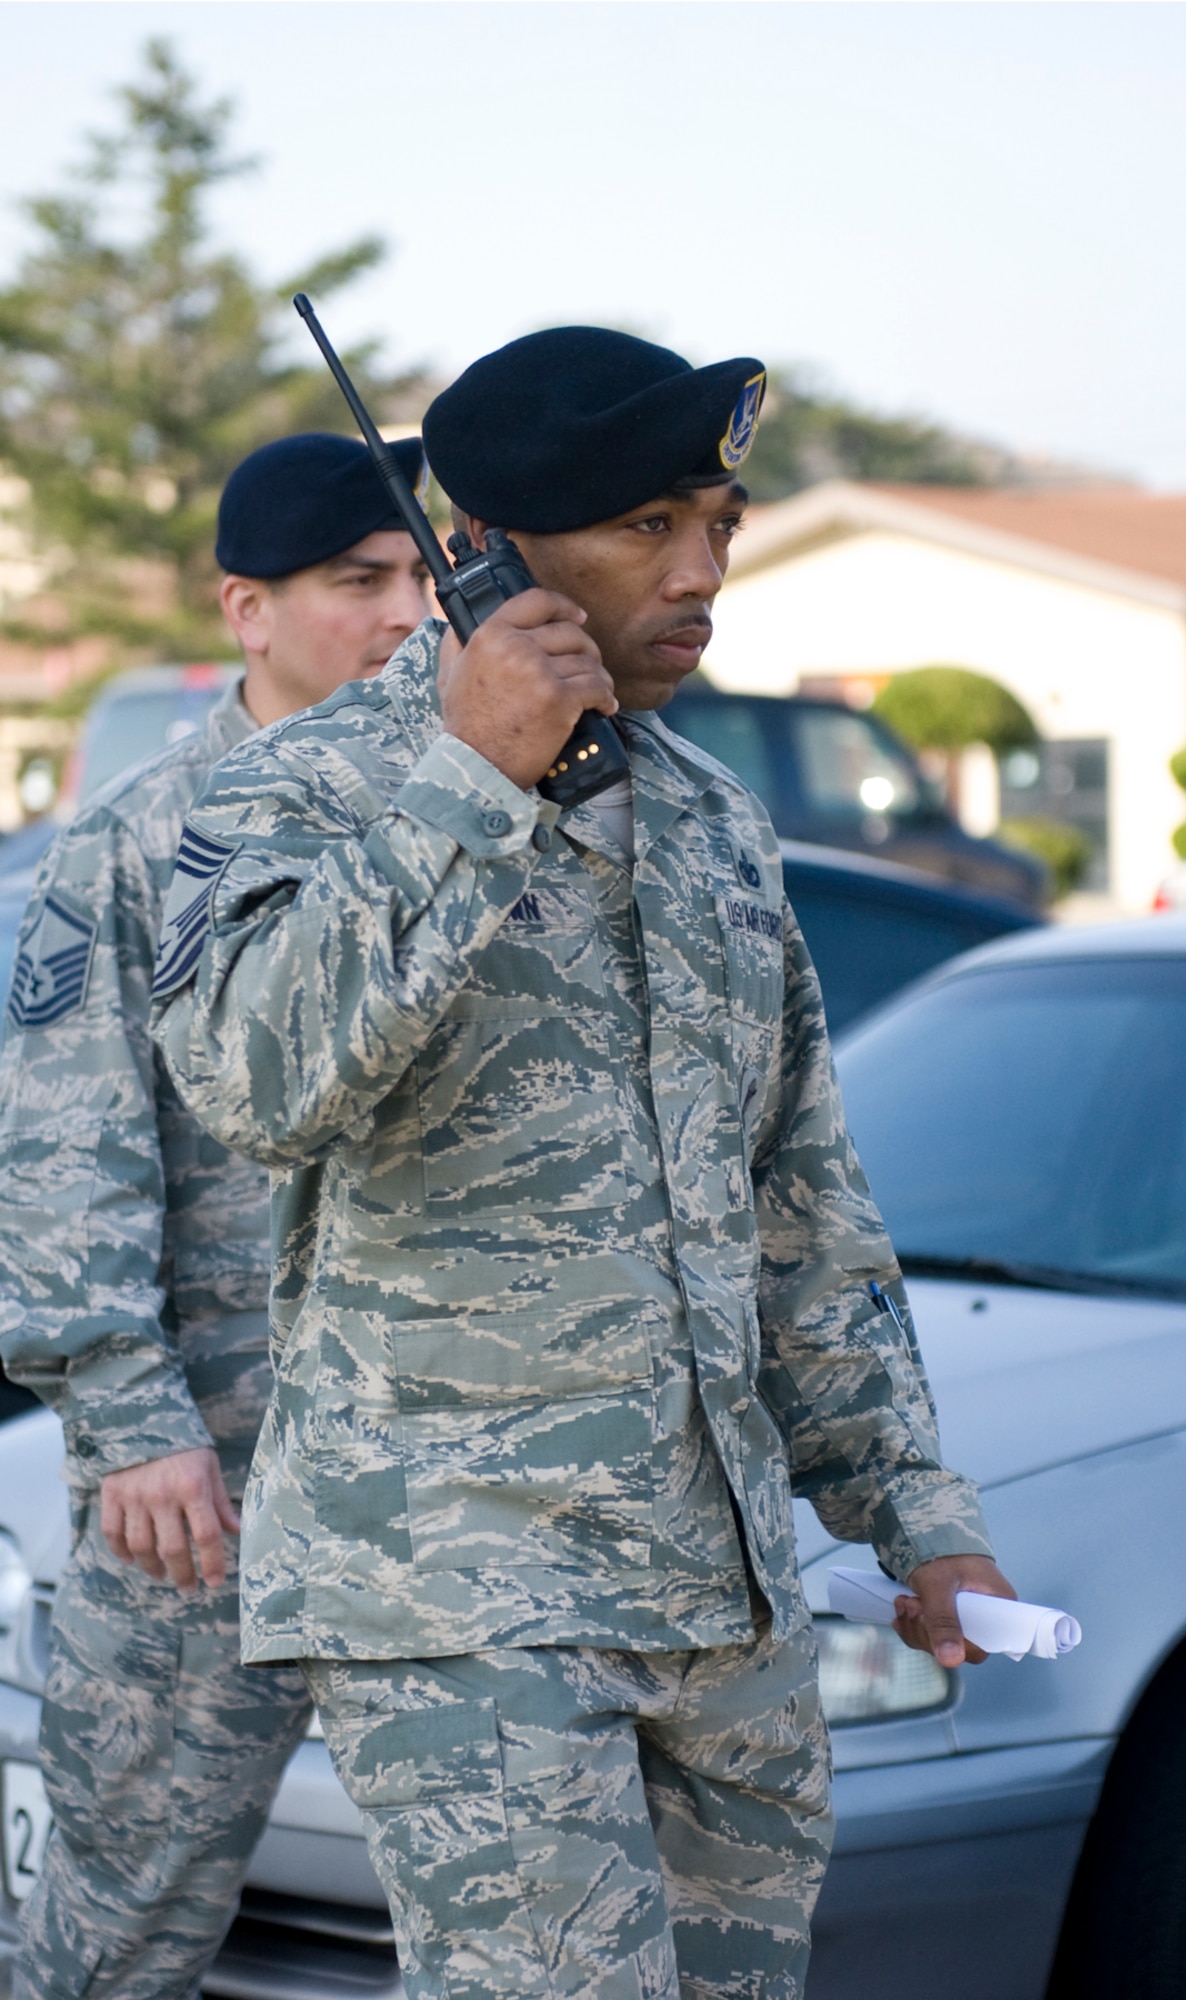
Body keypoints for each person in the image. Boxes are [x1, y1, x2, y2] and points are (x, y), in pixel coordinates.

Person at [150, 328, 1014, 2000]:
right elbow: (257, 1083)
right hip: (460, 1584)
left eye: (720, 525)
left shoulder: (708, 816)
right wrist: (474, 775)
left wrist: (919, 1517)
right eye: (647, 531)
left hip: (723, 1592)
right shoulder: (297, 794)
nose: (700, 575)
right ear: (487, 557)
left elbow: (802, 1204)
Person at [0, 430, 431, 2000]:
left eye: (417, 575)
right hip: (209, 1491)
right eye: (356, 582)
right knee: (121, 1929)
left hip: (440, 1481)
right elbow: (61, 1151)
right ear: (247, 611)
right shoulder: (132, 841)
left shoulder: (473, 810)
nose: (405, 615)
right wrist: (129, 1421)